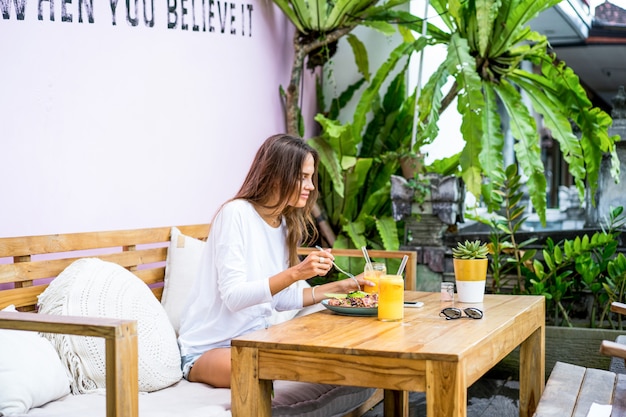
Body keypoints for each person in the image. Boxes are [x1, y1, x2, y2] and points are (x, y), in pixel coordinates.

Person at [177, 134, 372, 388]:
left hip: (254, 340)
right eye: (303, 177)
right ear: (277, 176)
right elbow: (234, 297)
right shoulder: (235, 214)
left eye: (310, 178)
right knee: (274, 370)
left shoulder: (283, 224)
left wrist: (341, 287)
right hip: (209, 349)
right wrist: (297, 272)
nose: (311, 186)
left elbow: (279, 299)